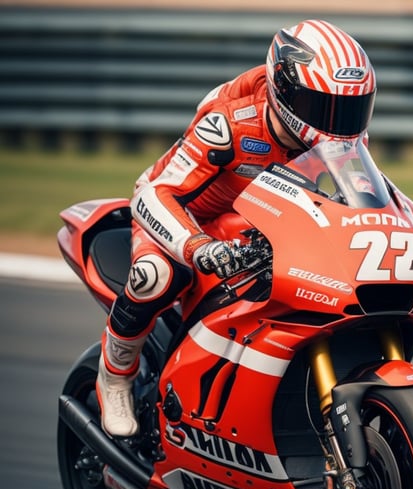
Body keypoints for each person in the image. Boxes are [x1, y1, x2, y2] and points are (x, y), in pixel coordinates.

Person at [96, 18, 377, 438]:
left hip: (250, 220)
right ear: (287, 93)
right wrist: (196, 246)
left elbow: (358, 200)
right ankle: (114, 375)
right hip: (181, 217)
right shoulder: (230, 123)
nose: (342, 124)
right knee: (156, 276)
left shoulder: (341, 139)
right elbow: (155, 193)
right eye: (327, 108)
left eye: (352, 109)